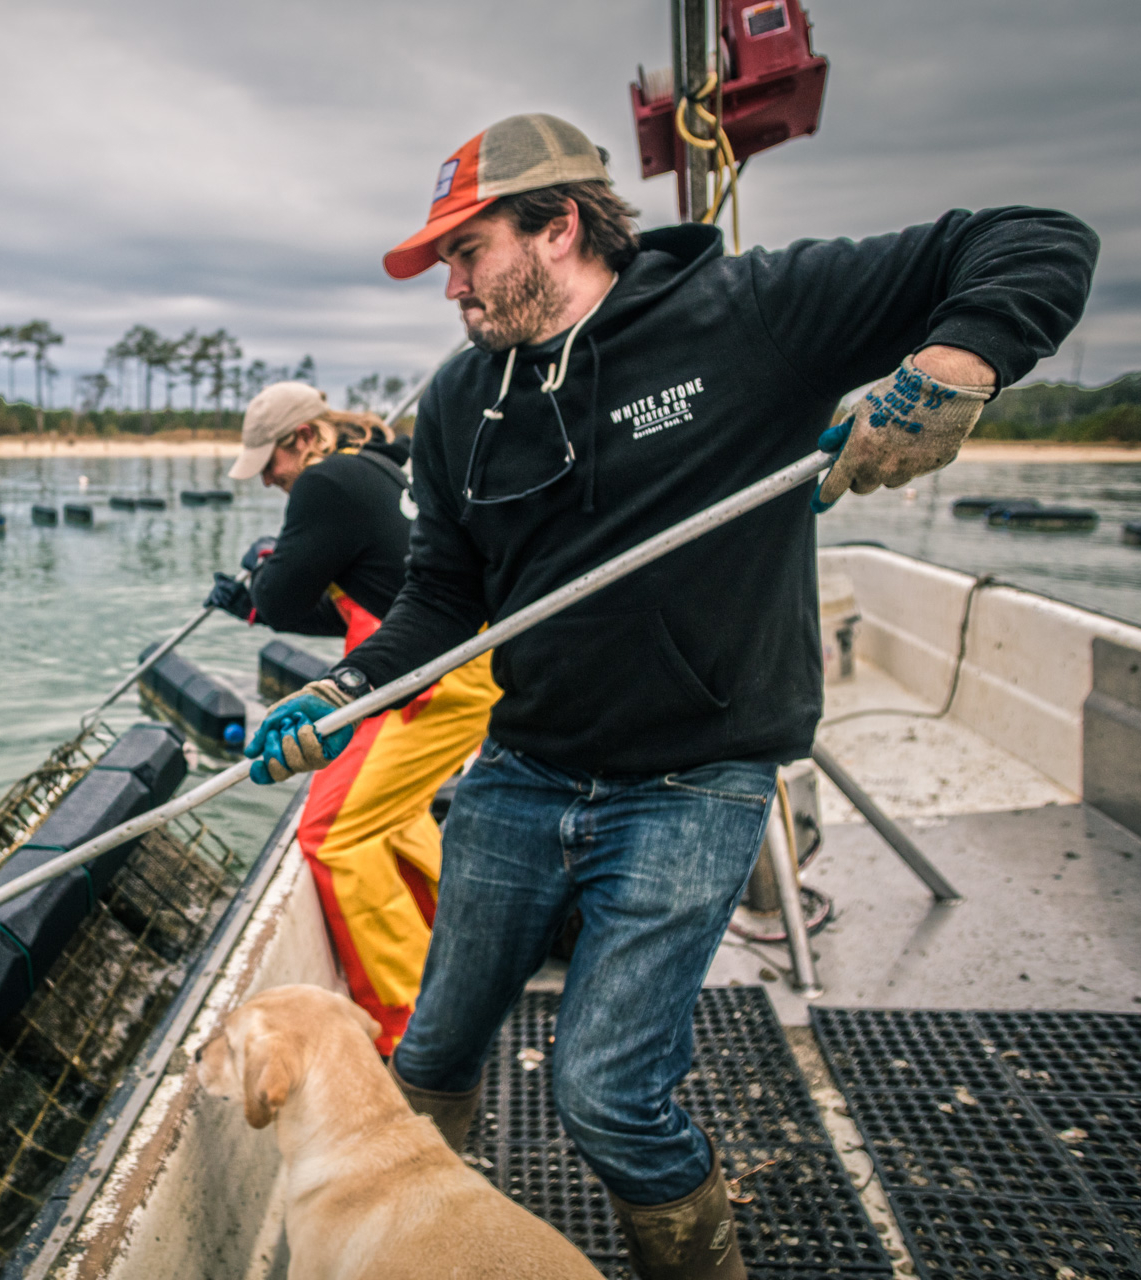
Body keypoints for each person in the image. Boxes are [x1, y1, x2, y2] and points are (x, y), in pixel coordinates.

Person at [243, 112, 1097, 1279]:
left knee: (608, 1094)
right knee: (432, 1053)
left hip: (694, 781)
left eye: (465, 250)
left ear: (557, 226)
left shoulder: (750, 311)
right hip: (524, 766)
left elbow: (1031, 238)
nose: (449, 285)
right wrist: (342, 689)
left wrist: (956, 367)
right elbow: (444, 599)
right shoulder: (454, 405)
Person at [209, 383, 498, 1055]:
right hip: (459, 660)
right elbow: (355, 593)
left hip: (432, 677)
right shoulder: (374, 465)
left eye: (271, 464)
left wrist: (263, 572)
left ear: (303, 438)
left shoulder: (324, 482)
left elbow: (285, 595)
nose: (269, 481)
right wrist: (251, 601)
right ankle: (456, 969)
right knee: (392, 818)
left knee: (332, 833)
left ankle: (410, 1033)